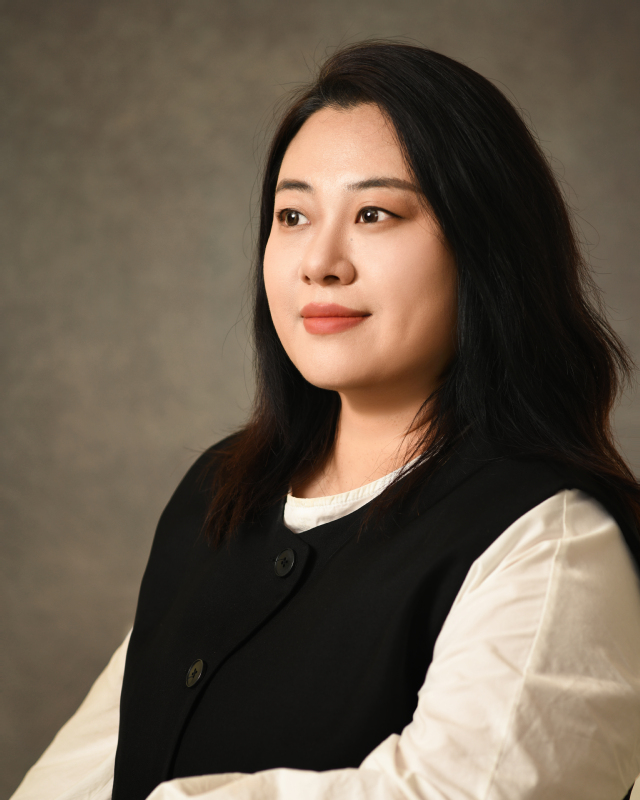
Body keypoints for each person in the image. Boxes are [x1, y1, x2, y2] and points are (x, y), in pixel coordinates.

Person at [11, 40, 640, 800]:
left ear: (488, 248)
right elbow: (86, 769)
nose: (320, 261)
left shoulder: (552, 538)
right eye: (293, 215)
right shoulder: (218, 491)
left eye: (375, 213)